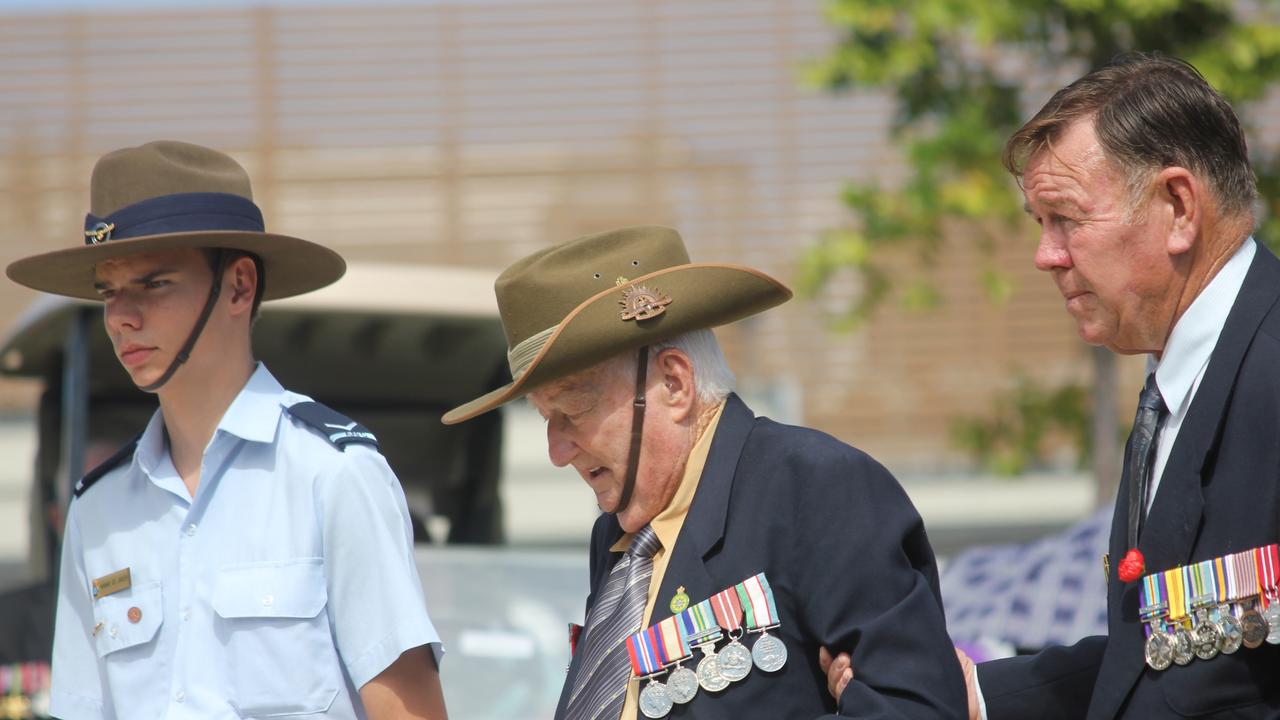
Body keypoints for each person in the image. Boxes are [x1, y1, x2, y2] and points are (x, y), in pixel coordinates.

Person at [824, 53, 1280, 717]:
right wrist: (971, 693)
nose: (1046, 256)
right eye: (1040, 224)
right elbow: (1160, 661)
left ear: (1179, 207)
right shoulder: (1176, 385)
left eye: (1066, 218)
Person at [441, 225, 966, 719]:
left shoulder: (815, 487)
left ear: (674, 383)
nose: (557, 451)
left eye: (573, 410)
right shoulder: (621, 536)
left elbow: (916, 708)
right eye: (545, 419)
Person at [7, 141, 448, 719]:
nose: (121, 317)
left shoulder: (333, 473)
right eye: (109, 291)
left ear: (239, 286)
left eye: (153, 283)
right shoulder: (99, 511)